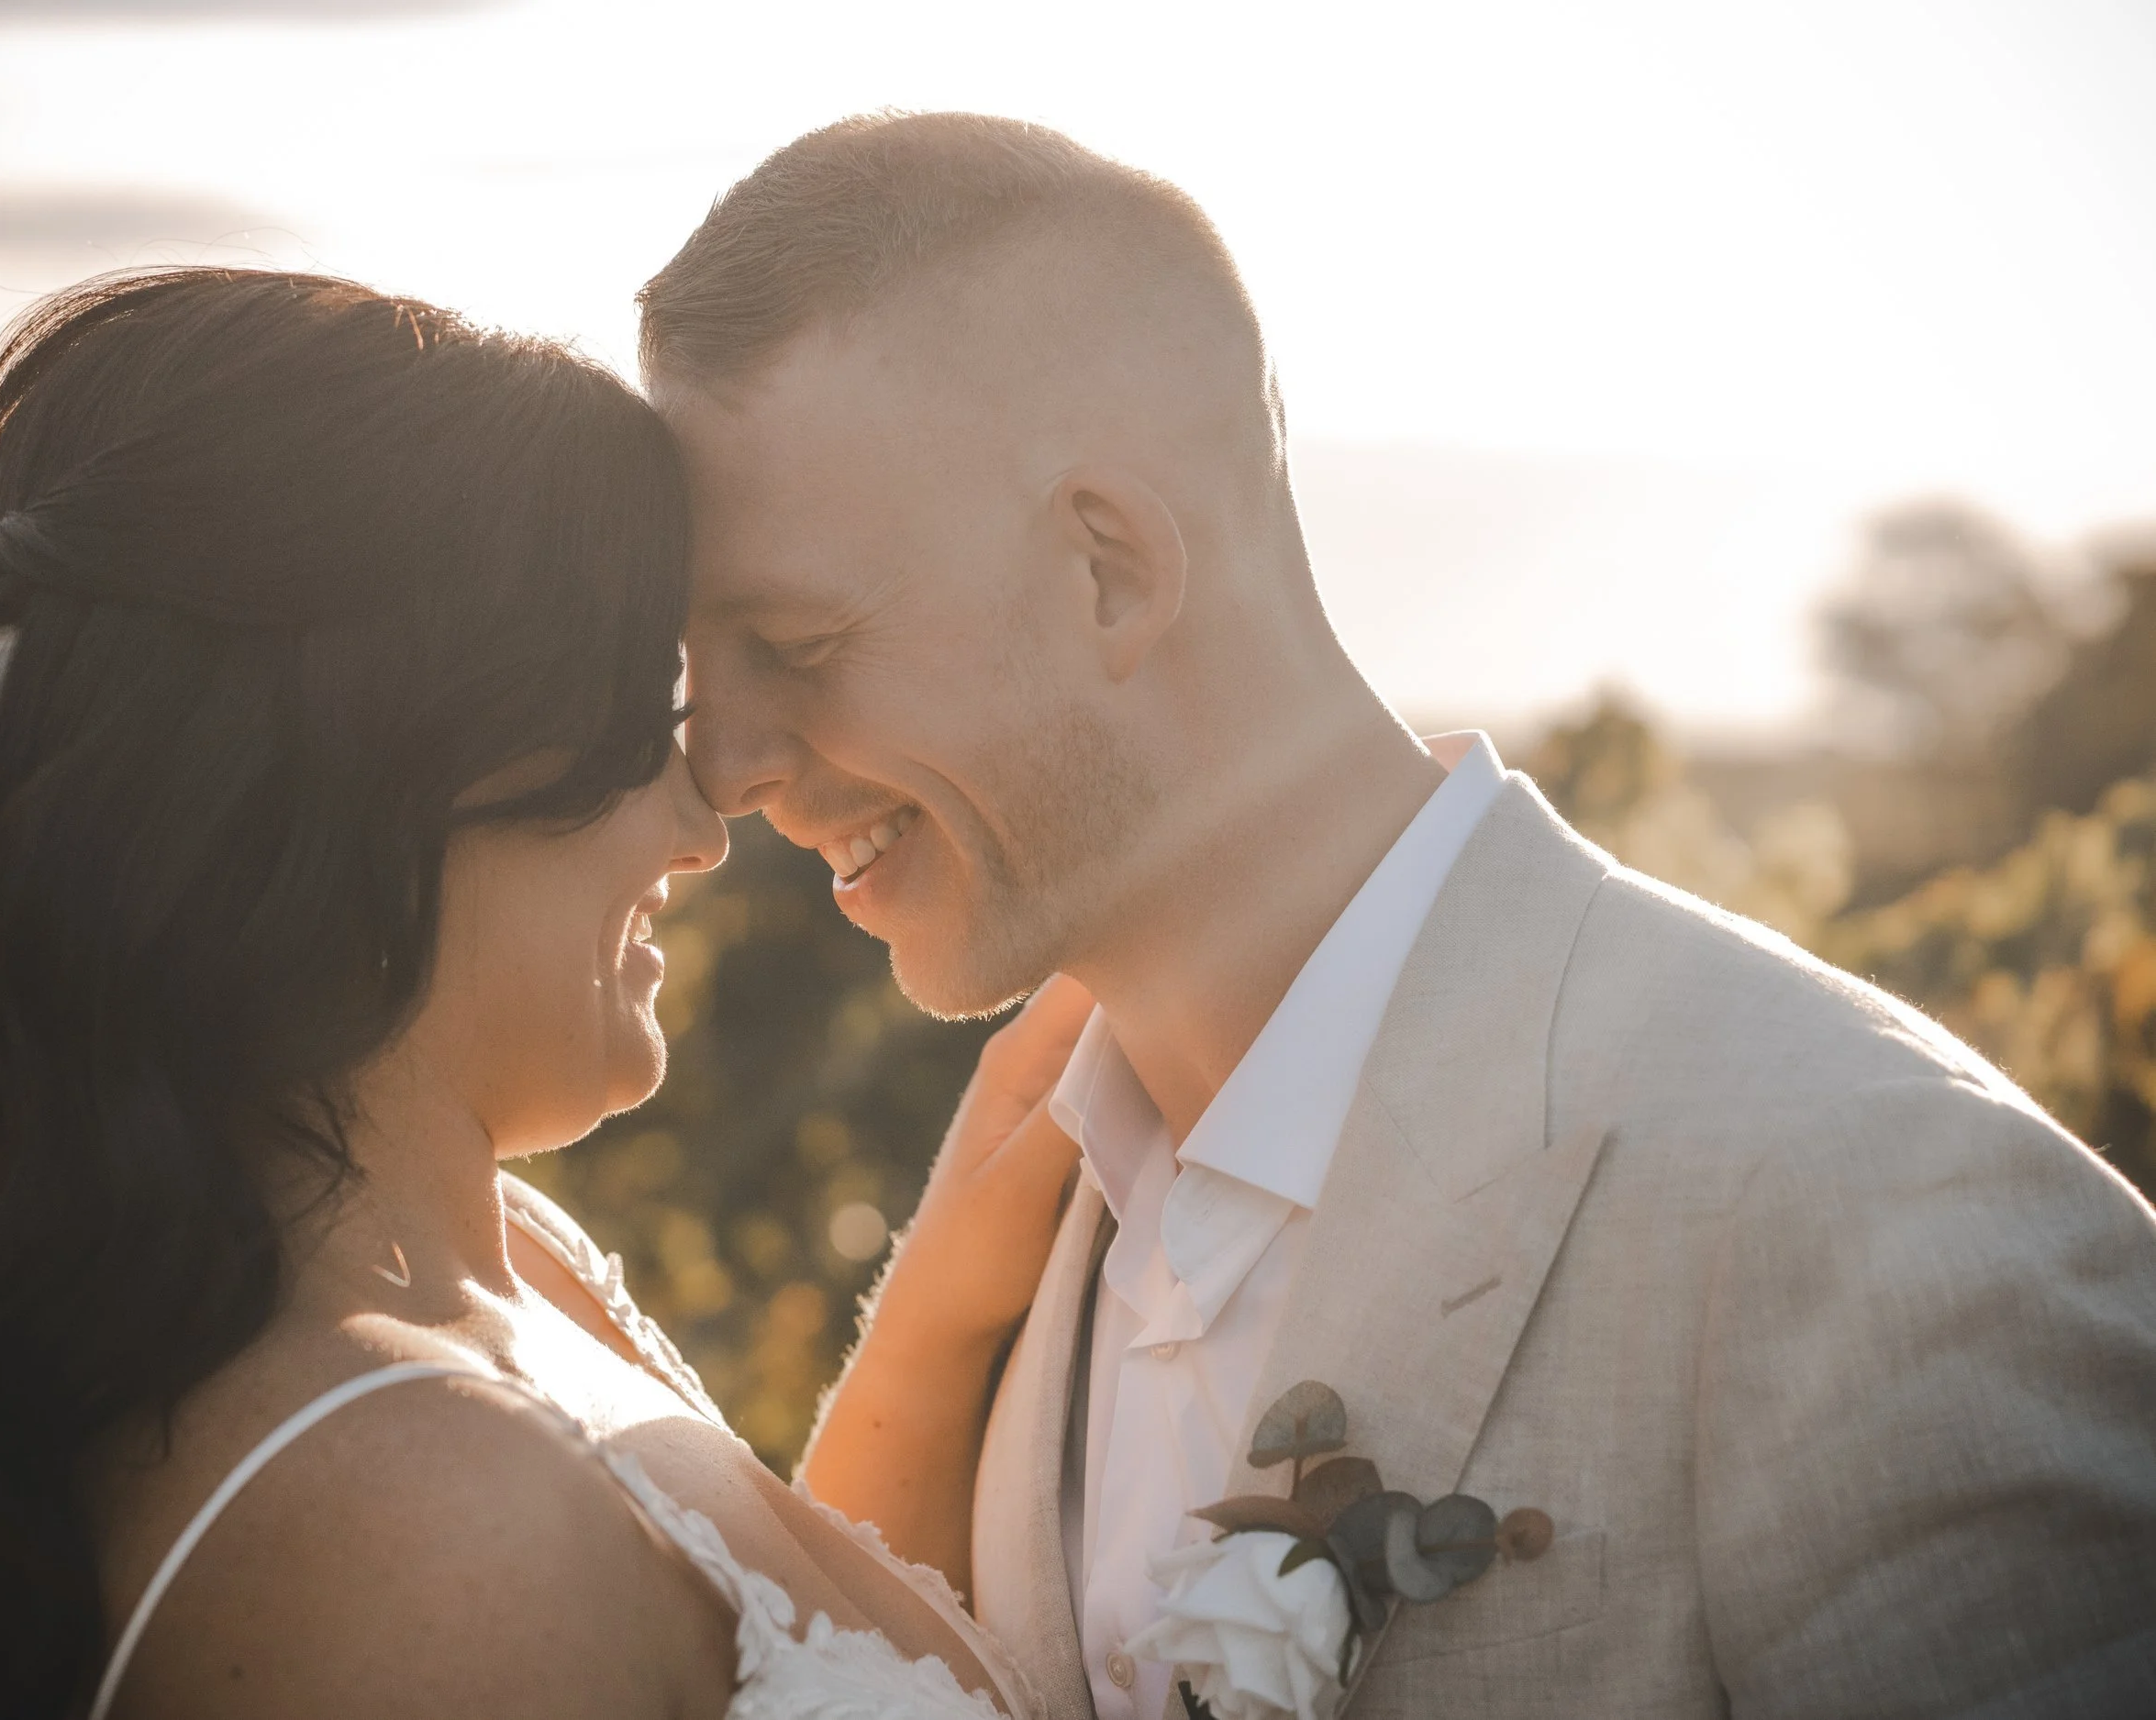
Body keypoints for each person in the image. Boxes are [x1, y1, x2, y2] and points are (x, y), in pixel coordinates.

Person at [642, 112, 2156, 1718]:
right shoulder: (1019, 1268)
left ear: (1108, 571)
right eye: (696, 668)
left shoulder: (1884, 1223)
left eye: (796, 646)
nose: (723, 767)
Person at [0, 265, 1089, 1719]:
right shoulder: (419, 1538)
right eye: (646, 720)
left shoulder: (503, 1250)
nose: (699, 830)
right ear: (405, 770)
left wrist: (952, 1282)